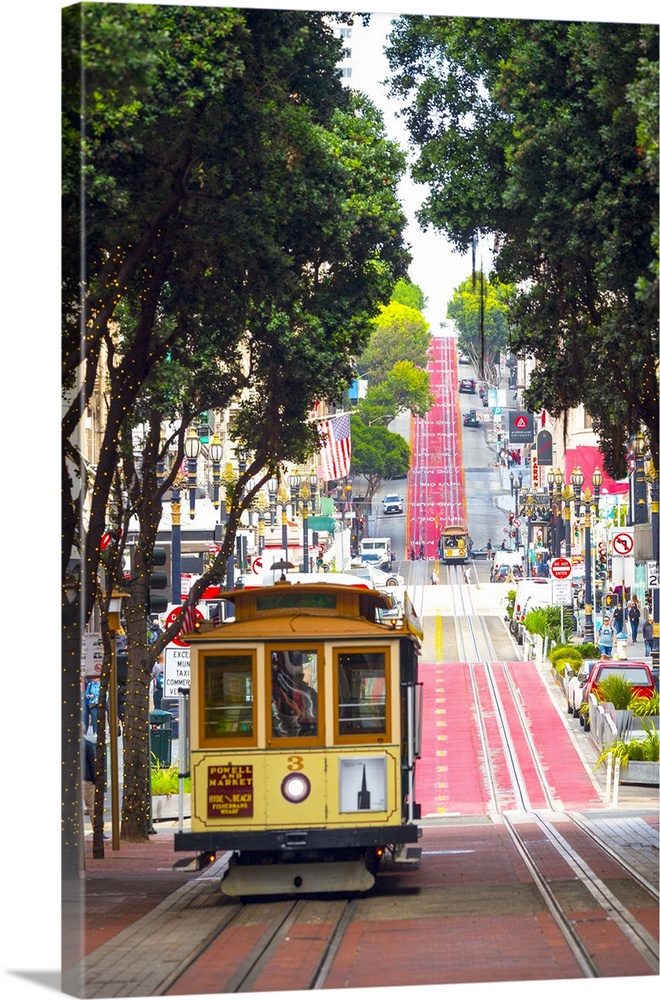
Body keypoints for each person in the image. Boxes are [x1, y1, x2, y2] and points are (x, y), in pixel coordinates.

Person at [82, 729, 109, 840]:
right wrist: (96, 780)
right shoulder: (87, 745)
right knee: (93, 808)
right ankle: (98, 831)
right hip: (87, 780)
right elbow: (93, 765)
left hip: (72, 780)